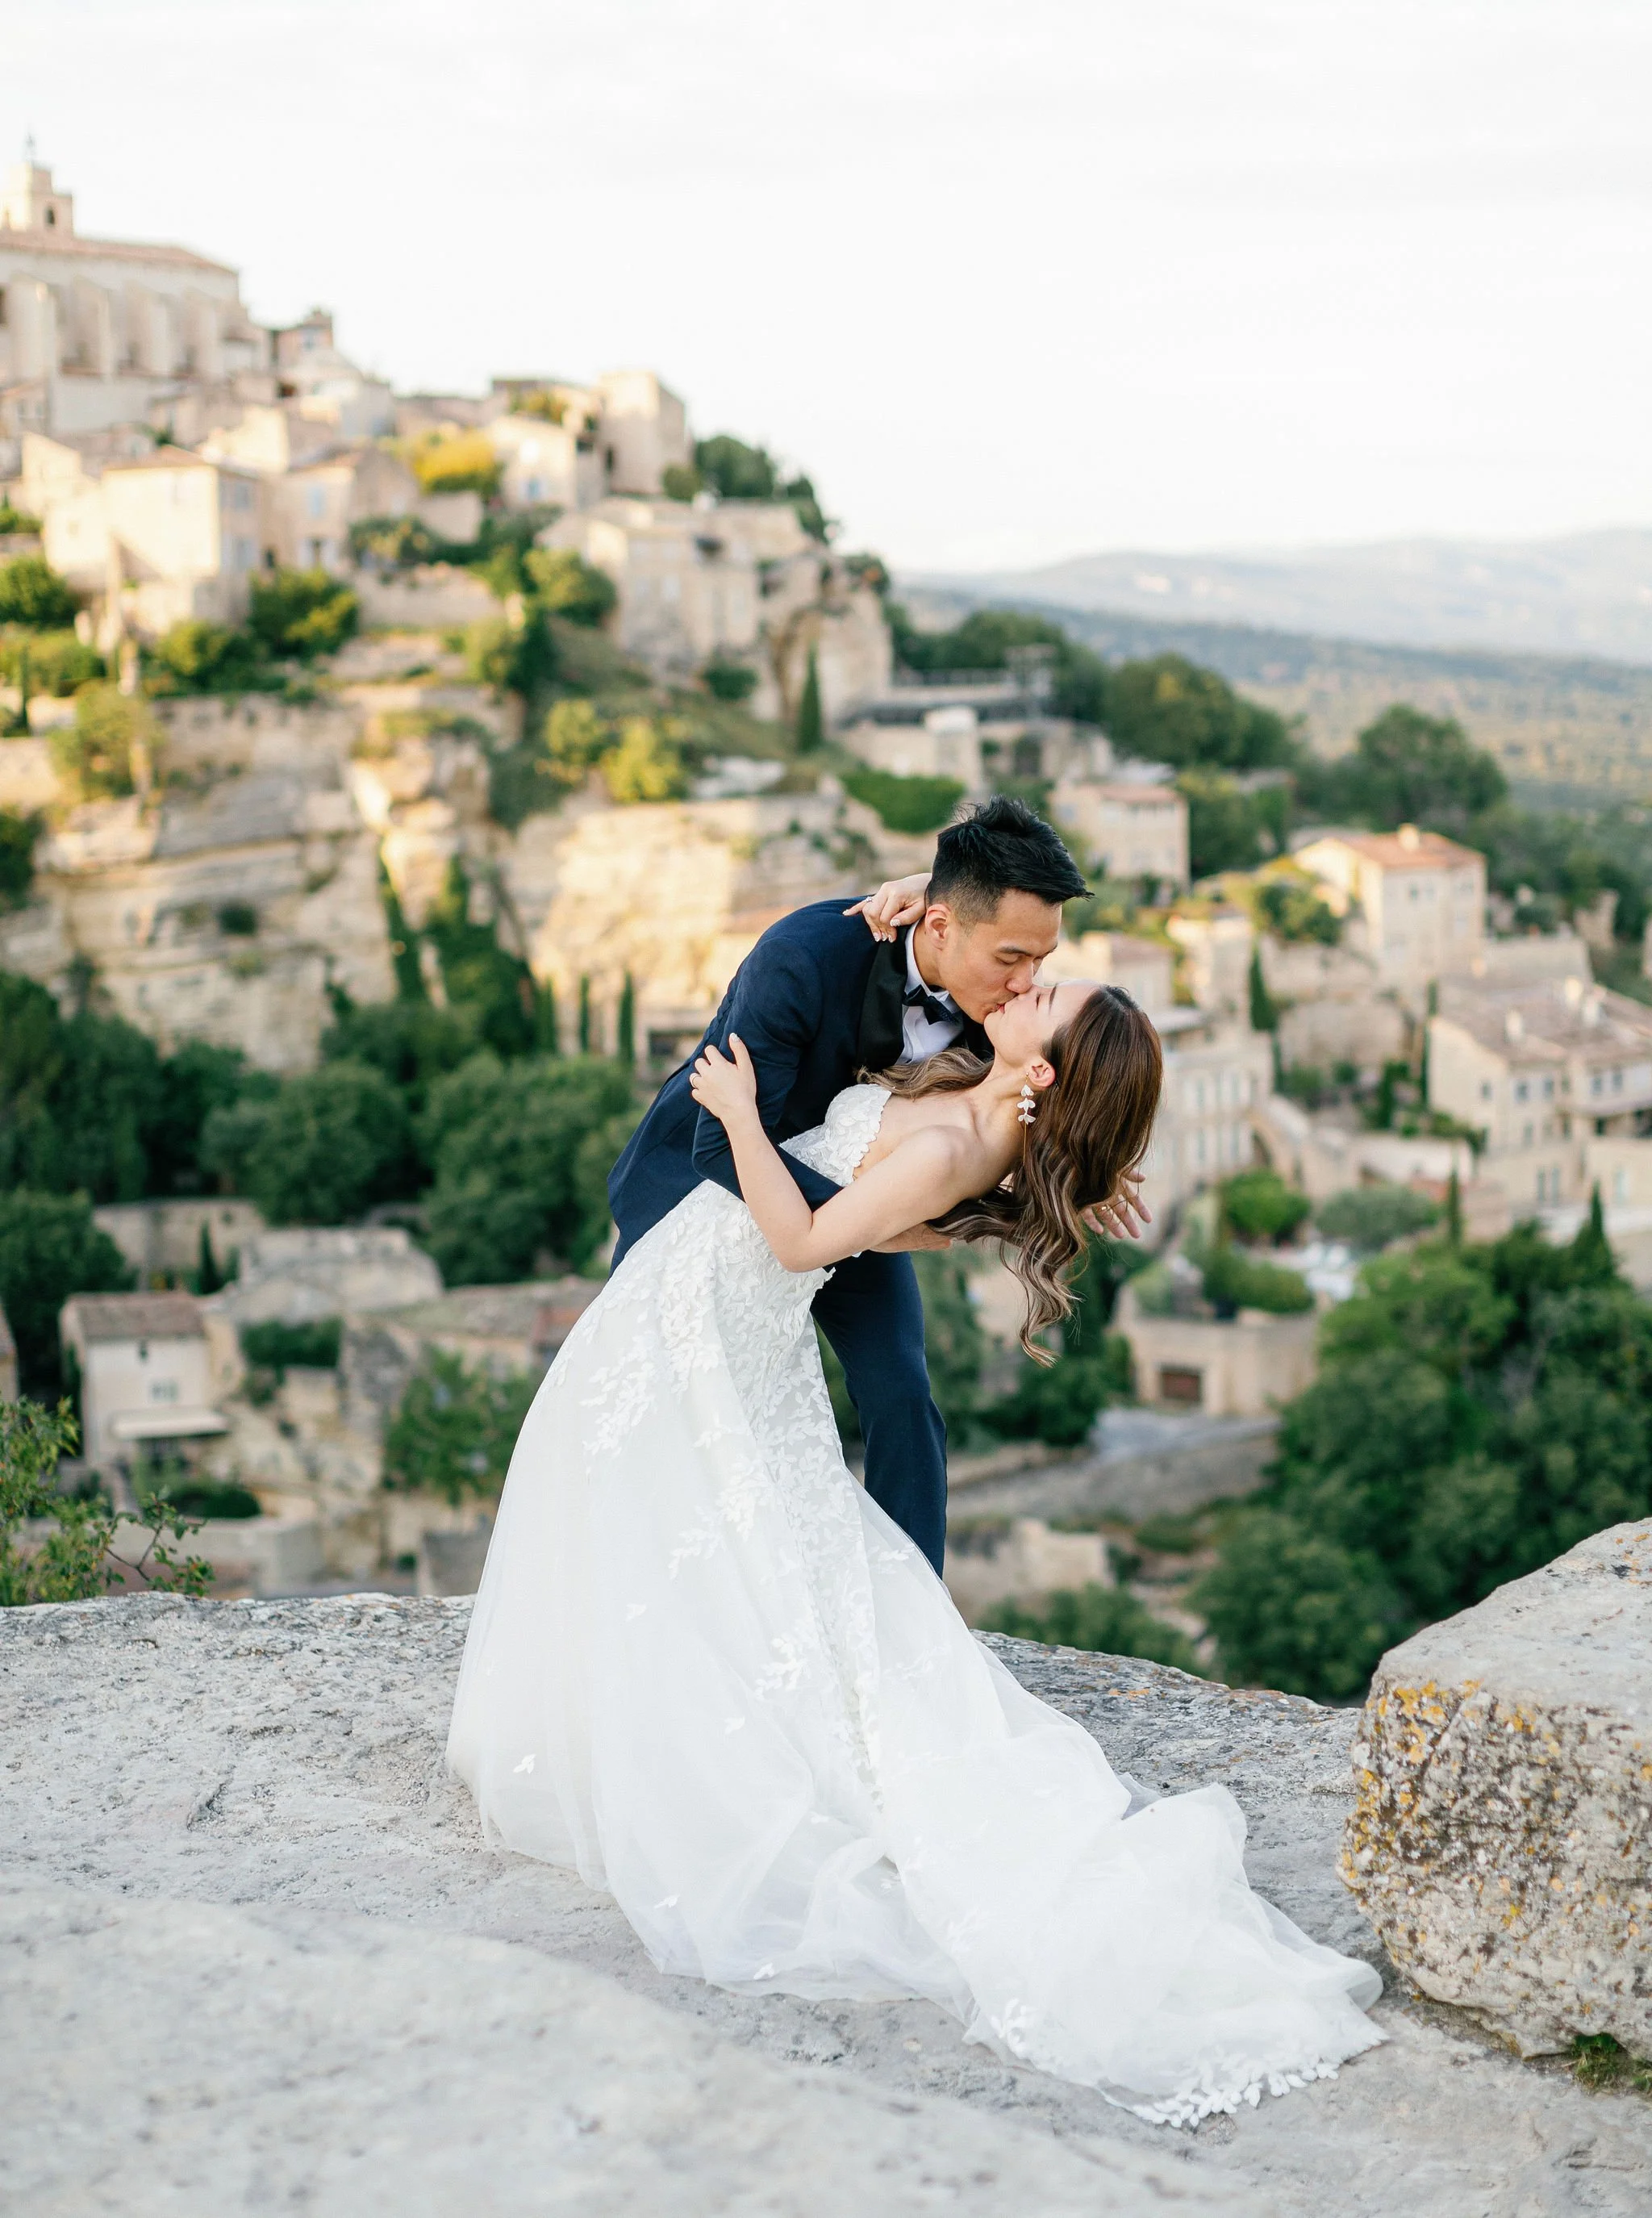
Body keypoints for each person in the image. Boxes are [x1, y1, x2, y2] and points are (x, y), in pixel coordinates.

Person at [448, 975, 1383, 2124]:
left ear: (1043, 1072)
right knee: (693, 1530)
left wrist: (740, 1115)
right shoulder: (980, 1115)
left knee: (638, 1496)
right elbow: (928, 1168)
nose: (1035, 983)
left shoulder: (958, 1141)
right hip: (713, 1317)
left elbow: (799, 1242)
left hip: (722, 1307)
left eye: (1052, 995)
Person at [607, 795, 1145, 1573]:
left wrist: (1085, 1164)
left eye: (1042, 962)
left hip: (854, 1193)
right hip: (706, 1181)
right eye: (1011, 959)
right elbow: (718, 1139)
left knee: (902, 1393)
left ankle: (913, 1607)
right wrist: (879, 1226)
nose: (1028, 982)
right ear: (938, 927)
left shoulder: (995, 999)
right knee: (653, 1395)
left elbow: (1040, 1088)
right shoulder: (806, 954)